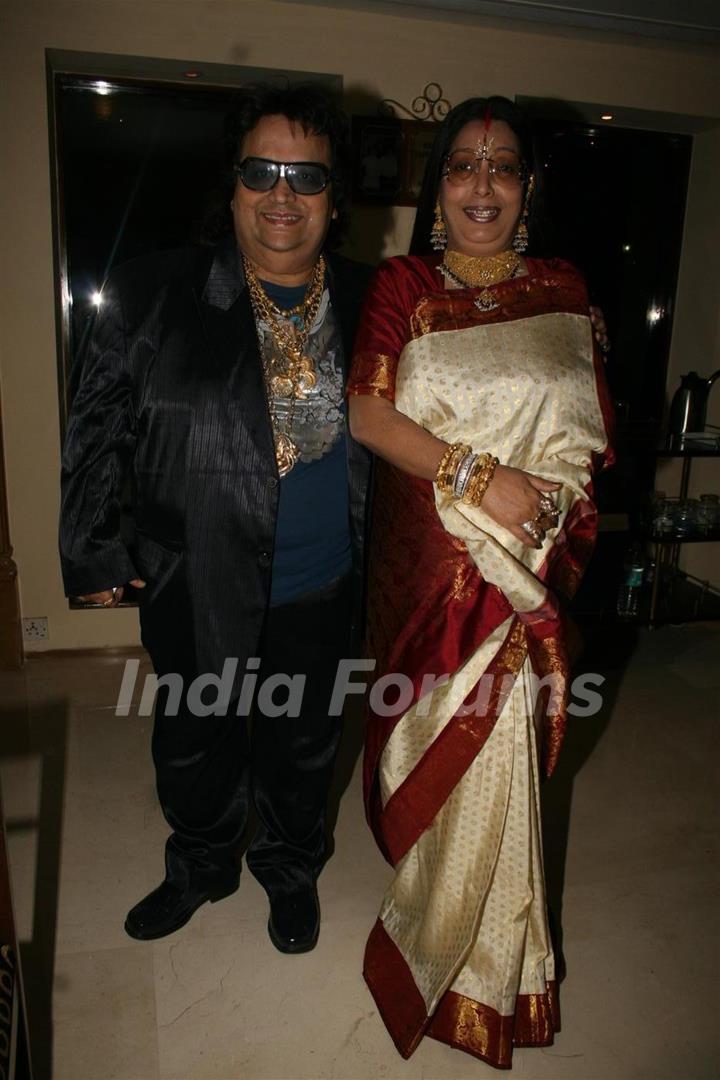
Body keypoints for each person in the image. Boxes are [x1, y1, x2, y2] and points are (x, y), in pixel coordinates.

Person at [59, 83, 372, 952]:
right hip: (195, 572)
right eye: (261, 171)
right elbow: (95, 428)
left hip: (322, 580)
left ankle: (290, 867)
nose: (283, 194)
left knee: (305, 745)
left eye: (306, 177)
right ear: (232, 185)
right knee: (195, 738)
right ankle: (200, 864)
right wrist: (93, 551)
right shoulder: (152, 290)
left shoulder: (376, 299)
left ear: (333, 197)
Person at [348, 96, 614, 1068]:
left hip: (526, 574)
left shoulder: (564, 289)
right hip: (439, 577)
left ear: (528, 187)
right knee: (433, 743)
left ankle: (492, 968)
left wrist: (536, 525)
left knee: (504, 770)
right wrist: (479, 481)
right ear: (438, 188)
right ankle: (438, 921)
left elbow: (587, 443)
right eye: (464, 164)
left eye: (504, 166)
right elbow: (371, 419)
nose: (484, 184)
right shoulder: (402, 286)